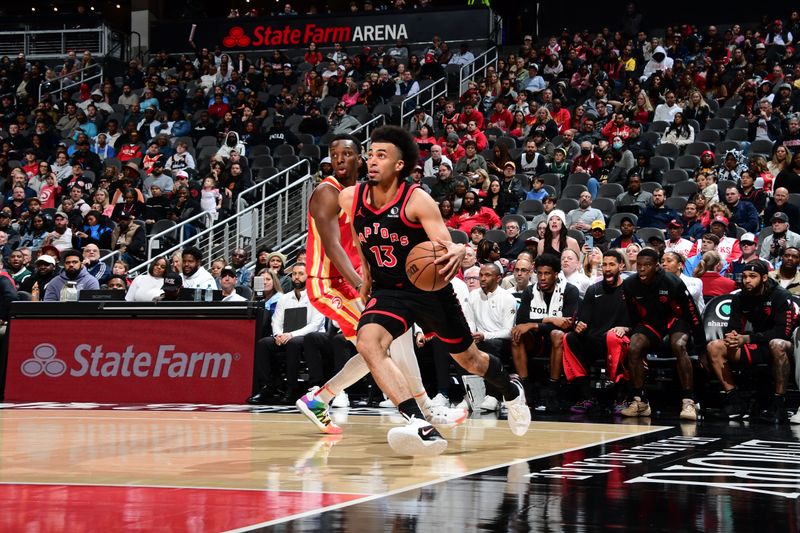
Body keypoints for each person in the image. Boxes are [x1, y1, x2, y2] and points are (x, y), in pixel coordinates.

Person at [338, 125, 530, 456]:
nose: (372, 161)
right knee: (369, 342)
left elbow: (445, 243)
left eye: (381, 156)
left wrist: (458, 248)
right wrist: (367, 274)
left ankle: (510, 390)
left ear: (399, 165)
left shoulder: (416, 199)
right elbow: (360, 234)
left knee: (471, 360)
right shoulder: (350, 197)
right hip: (388, 290)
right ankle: (418, 423)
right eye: (370, 154)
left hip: (428, 289)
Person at [296, 134, 465, 433]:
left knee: (378, 346)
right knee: (384, 343)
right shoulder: (327, 192)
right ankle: (423, 409)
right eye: (334, 155)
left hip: (353, 281)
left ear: (360, 159)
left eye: (347, 154)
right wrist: (366, 284)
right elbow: (334, 247)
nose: (340, 160)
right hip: (328, 283)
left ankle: (319, 398)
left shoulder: (366, 194)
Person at [621, 249, 706, 421]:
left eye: (647, 265)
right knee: (634, 347)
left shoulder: (671, 281)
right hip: (652, 321)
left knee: (678, 345)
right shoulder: (630, 284)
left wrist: (702, 348)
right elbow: (632, 315)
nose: (642, 269)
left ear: (657, 266)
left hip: (676, 319)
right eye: (639, 265)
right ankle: (640, 401)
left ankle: (688, 401)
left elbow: (692, 313)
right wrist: (636, 331)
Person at [706, 261, 794, 423]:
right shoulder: (740, 297)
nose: (747, 280)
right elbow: (732, 327)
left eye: (752, 277)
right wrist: (731, 337)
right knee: (714, 347)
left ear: (765, 278)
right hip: (757, 342)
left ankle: (779, 405)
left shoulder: (781, 296)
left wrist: (747, 338)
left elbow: (783, 333)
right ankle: (735, 402)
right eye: (745, 276)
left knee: (777, 343)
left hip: (787, 347)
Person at [562, 249, 631, 414]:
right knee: (569, 338)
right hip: (595, 340)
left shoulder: (630, 290)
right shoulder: (593, 290)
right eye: (604, 265)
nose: (607, 268)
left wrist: (626, 327)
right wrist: (579, 324)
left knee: (613, 337)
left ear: (621, 266)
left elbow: (640, 320)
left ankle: (621, 397)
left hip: (619, 340)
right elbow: (582, 319)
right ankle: (587, 397)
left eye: (612, 264)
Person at [248, 262, 327, 404]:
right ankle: (269, 386)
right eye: (294, 274)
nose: (296, 277)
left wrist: (291, 335)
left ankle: (292, 389)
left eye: (301, 274)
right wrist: (278, 334)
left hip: (310, 339)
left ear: (308, 277)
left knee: (293, 343)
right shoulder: (284, 298)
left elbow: (315, 325)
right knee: (263, 344)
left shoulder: (316, 297)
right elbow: (276, 321)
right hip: (285, 336)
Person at [511, 253, 580, 411]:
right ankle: (525, 388)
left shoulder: (570, 291)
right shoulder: (530, 291)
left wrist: (534, 324)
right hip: (536, 341)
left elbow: (567, 324)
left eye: (547, 273)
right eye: (540, 273)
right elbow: (522, 322)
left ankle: (553, 389)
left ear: (556, 274)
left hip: (560, 341)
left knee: (557, 334)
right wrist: (548, 320)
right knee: (516, 333)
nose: (542, 277)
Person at [464, 263, 518, 411]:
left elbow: (508, 331)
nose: (482, 278)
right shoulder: (473, 295)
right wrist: (470, 334)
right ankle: (468, 394)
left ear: (498, 278)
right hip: (479, 338)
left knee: (490, 345)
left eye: (487, 275)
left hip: (501, 342)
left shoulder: (507, 298)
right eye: (481, 275)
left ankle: (494, 396)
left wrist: (485, 335)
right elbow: (469, 320)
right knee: (460, 346)